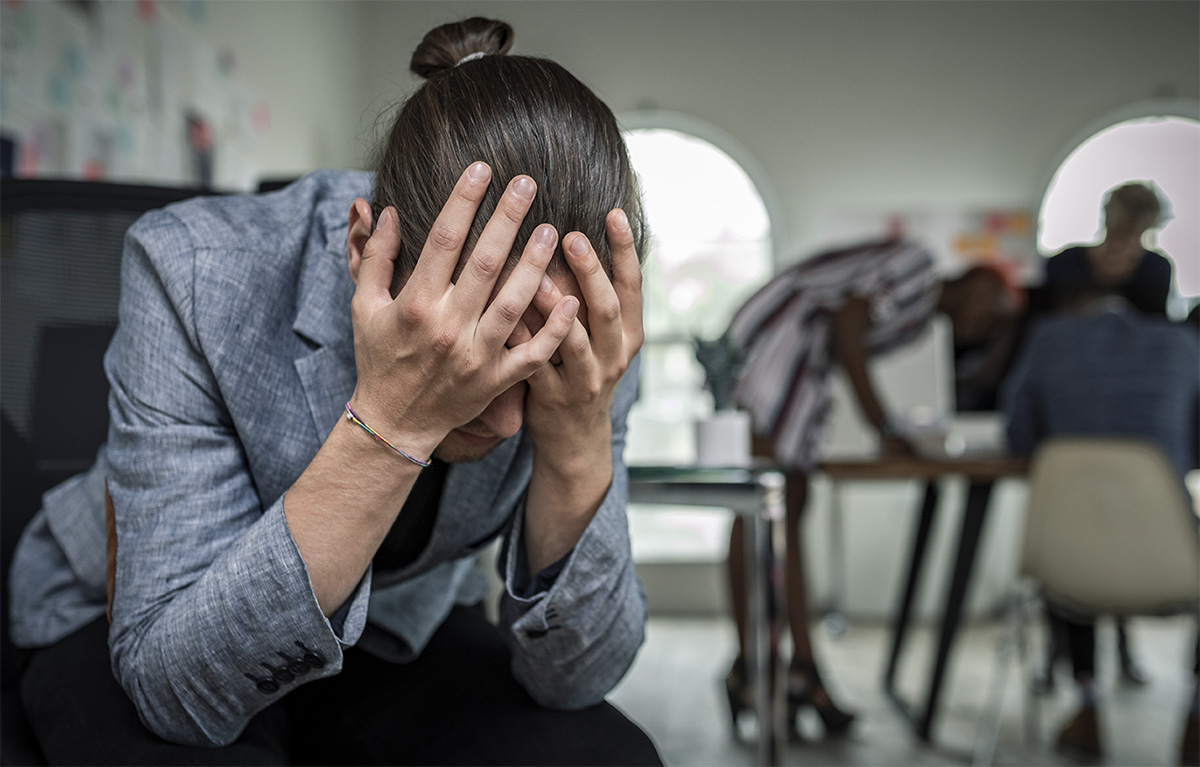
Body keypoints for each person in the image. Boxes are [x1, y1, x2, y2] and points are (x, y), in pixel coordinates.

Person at [8, 18, 662, 766]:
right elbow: (176, 693)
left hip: (391, 621)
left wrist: (578, 442)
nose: (512, 422)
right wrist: (394, 423)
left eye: (533, 369)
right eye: (473, 354)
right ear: (363, 250)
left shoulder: (591, 325)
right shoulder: (191, 268)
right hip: (131, 615)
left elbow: (579, 679)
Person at [722, 237, 1020, 739]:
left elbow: (845, 343)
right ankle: (768, 668)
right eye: (990, 314)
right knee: (768, 503)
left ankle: (782, 667)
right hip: (779, 335)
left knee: (782, 505)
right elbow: (845, 325)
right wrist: (882, 427)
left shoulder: (920, 319)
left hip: (800, 349)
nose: (982, 328)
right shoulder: (918, 266)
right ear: (980, 286)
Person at [1001, 288, 1200, 760]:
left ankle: (1087, 705)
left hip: (1069, 567)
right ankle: (1195, 714)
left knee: (1072, 541)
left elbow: (1019, 437)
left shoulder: (1047, 341)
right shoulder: (1182, 347)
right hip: (1170, 560)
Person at [1037, 180, 1174, 692]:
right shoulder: (1066, 265)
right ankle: (1071, 669)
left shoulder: (1157, 273)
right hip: (1073, 429)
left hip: (1135, 439)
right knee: (1073, 550)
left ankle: (1110, 663)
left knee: (1120, 546)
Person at [1044, 181, 1173, 317]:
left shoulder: (1156, 269)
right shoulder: (1064, 262)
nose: (1119, 245)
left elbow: (1157, 327)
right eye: (1119, 231)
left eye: (1130, 232)